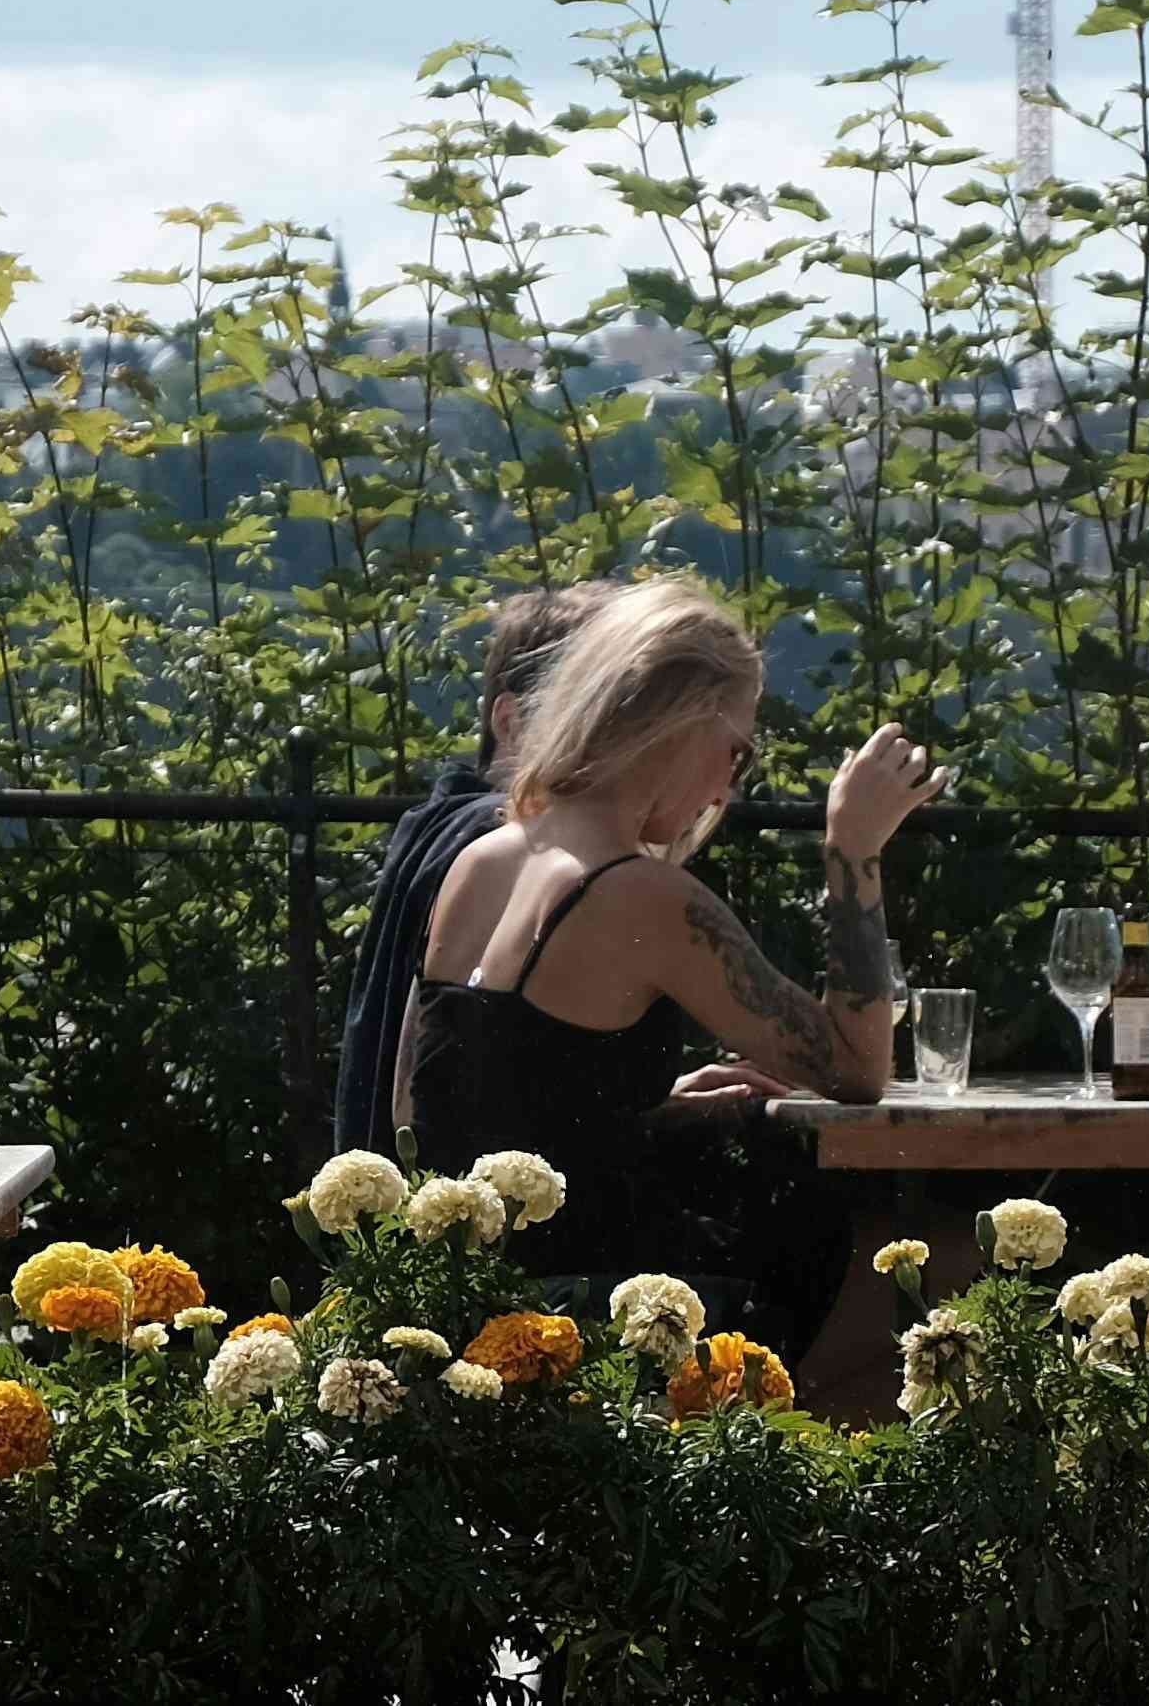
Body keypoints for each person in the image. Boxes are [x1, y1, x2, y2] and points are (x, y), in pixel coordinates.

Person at [400, 578, 937, 1369]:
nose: (726, 787)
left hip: (471, 1298)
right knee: (907, 1257)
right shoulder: (641, 893)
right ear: (679, 726)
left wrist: (622, 1110)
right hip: (596, 1316)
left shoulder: (481, 861)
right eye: (734, 751)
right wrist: (852, 850)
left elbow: (443, 1100)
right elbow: (857, 1069)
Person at [332, 582, 619, 1156]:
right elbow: (460, 1085)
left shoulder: (439, 823)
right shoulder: (505, 843)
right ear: (509, 722)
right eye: (588, 715)